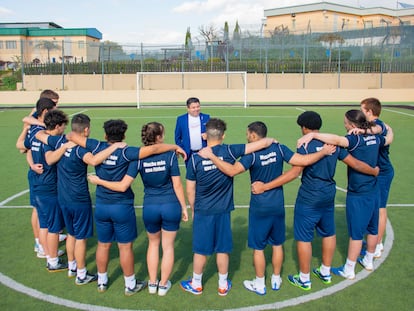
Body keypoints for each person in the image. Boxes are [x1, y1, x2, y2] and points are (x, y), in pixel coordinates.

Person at [197, 121, 336, 295]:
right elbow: (302, 161)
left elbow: (232, 171)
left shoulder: (252, 155)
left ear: (253, 135)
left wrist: (212, 157)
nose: (246, 137)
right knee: (278, 244)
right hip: (278, 204)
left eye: (248, 134)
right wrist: (323, 152)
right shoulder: (279, 148)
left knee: (259, 247)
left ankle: (260, 283)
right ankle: (276, 279)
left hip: (260, 206)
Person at [252, 112, 379, 291]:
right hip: (328, 194)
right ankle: (325, 271)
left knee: (304, 237)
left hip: (309, 196)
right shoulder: (333, 143)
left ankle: (304, 278)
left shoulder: (305, 145)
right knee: (329, 232)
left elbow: (294, 172)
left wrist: (265, 186)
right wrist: (373, 170)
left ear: (304, 127)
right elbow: (355, 163)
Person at [67, 119, 186, 296]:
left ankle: (102, 281)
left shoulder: (97, 146)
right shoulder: (128, 152)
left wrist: (101, 169)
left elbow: (70, 135)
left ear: (106, 134)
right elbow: (153, 150)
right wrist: (174, 146)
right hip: (122, 206)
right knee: (127, 247)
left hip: (101, 205)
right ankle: (132, 284)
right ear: (123, 135)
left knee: (103, 244)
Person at [180, 118, 281, 297]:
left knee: (201, 250)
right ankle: (222, 284)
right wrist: (271, 140)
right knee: (222, 248)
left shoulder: (195, 159)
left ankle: (196, 284)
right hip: (223, 209)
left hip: (203, 210)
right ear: (223, 135)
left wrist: (194, 209)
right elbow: (259, 144)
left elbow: (190, 189)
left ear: (206, 135)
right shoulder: (231, 150)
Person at [297, 109, 393, 280]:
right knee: (372, 228)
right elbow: (388, 135)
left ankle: (348, 268)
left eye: (346, 122)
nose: (344, 125)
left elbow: (339, 143)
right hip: (374, 189)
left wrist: (313, 136)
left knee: (356, 233)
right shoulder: (376, 138)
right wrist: (370, 131)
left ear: (352, 124)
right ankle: (368, 260)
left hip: (357, 192)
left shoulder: (353, 139)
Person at [36, 113, 126, 285]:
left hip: (63, 197)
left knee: (71, 234)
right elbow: (93, 161)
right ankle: (82, 274)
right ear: (85, 130)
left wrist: (64, 144)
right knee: (81, 238)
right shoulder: (81, 149)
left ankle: (71, 267)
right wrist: (115, 147)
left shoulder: (59, 141)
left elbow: (40, 135)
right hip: (79, 199)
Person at [25, 109, 72, 272]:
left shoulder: (37, 136)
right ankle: (53, 261)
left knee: (44, 225)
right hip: (48, 188)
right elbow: (50, 159)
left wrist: (31, 164)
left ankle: (47, 253)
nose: (64, 130)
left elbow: (27, 150)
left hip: (37, 185)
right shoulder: (50, 141)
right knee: (53, 227)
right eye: (63, 127)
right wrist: (65, 147)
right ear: (58, 126)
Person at [360, 98, 394, 258]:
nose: (361, 112)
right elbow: (387, 131)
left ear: (369, 111)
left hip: (383, 172)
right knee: (374, 207)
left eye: (362, 110)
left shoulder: (377, 125)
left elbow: (379, 129)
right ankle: (374, 241)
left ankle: (378, 244)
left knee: (380, 208)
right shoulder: (379, 125)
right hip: (375, 171)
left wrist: (363, 132)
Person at [174, 97, 210, 162]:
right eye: (193, 107)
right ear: (188, 108)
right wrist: (182, 150)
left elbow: (213, 134)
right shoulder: (181, 119)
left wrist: (208, 135)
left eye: (198, 107)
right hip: (188, 153)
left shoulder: (206, 117)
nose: (196, 109)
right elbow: (177, 138)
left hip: (204, 152)